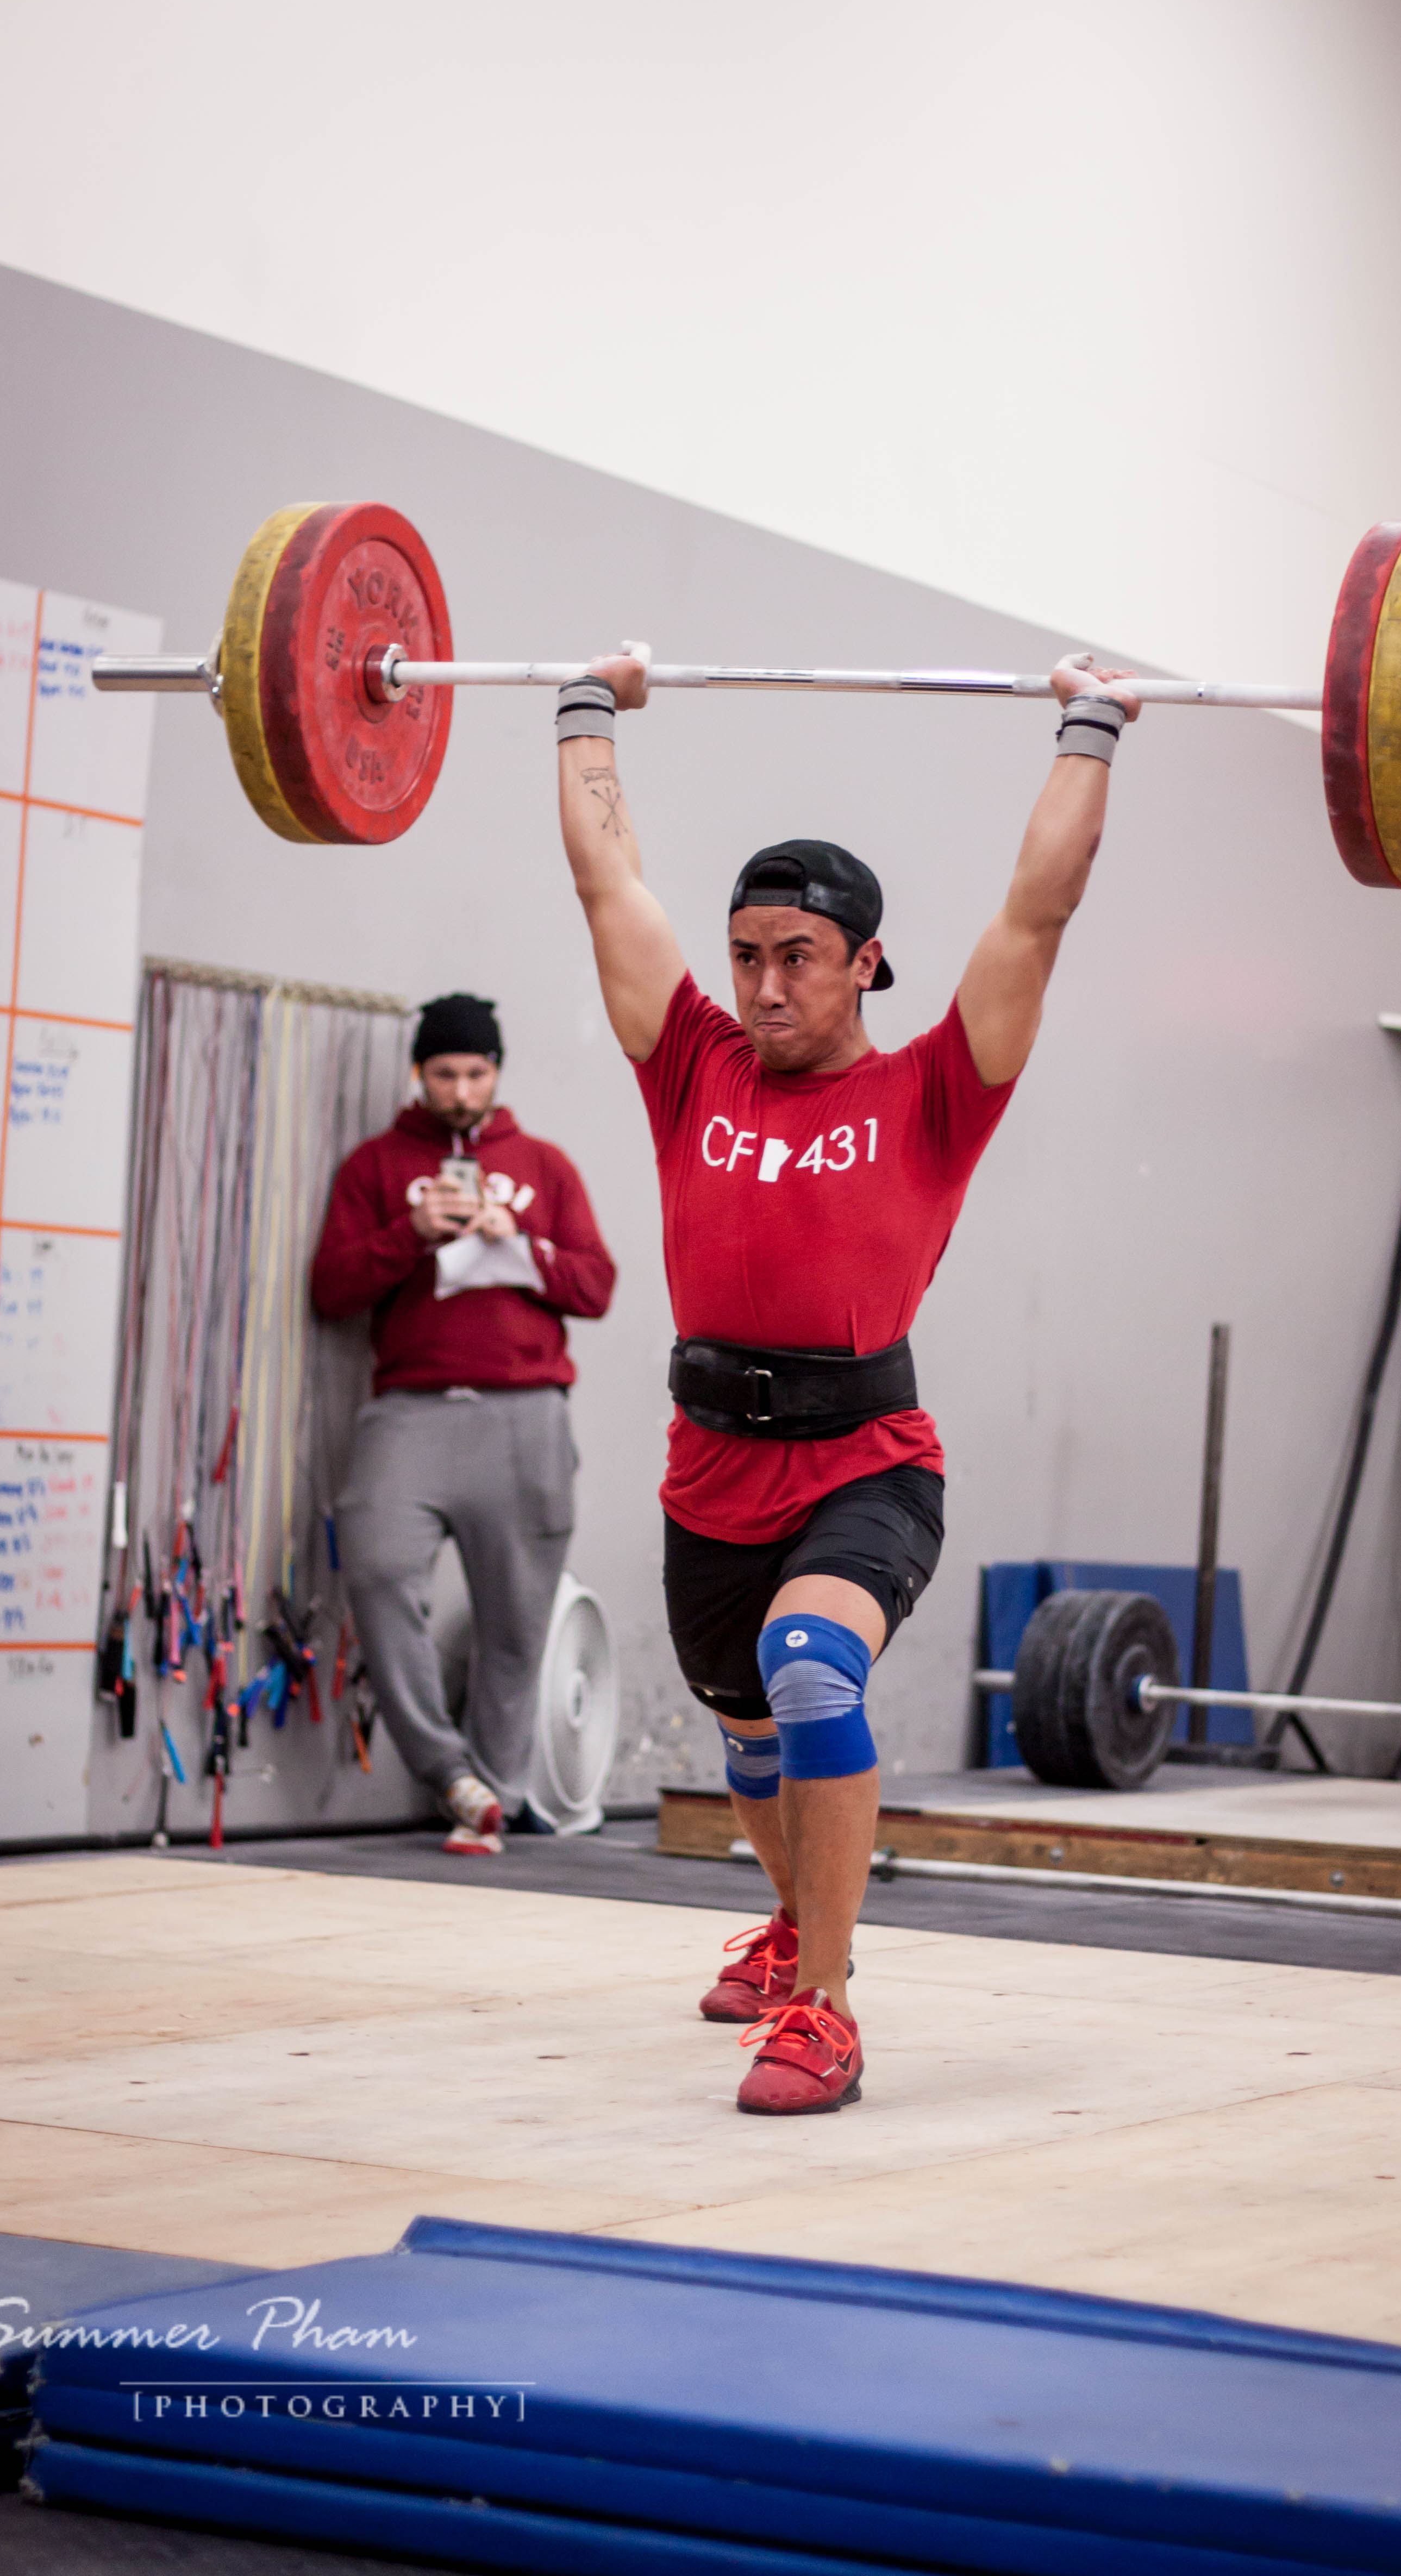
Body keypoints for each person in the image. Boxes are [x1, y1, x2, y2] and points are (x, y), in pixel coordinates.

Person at [554, 651, 1138, 2111]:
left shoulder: (935, 1088)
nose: (762, 986)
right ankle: (791, 1924)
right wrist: (586, 708)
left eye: (796, 957)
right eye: (746, 955)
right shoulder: (691, 1065)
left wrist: (1090, 724)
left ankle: (825, 2007)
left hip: (868, 1460)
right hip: (710, 1470)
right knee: (749, 1737)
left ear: (866, 961)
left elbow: (1039, 909)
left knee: (812, 1670)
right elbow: (607, 882)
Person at [311, 992, 616, 1854]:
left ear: (497, 1073)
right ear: (419, 1073)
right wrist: (409, 1232)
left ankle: (492, 1801)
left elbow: (597, 1286)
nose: (459, 1091)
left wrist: (522, 1243)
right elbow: (330, 1289)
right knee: (376, 1568)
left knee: (517, 1620)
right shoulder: (376, 1165)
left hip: (526, 1412)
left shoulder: (544, 1166)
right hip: (412, 1408)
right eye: (443, 1074)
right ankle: (450, 1771)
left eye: (475, 1074)